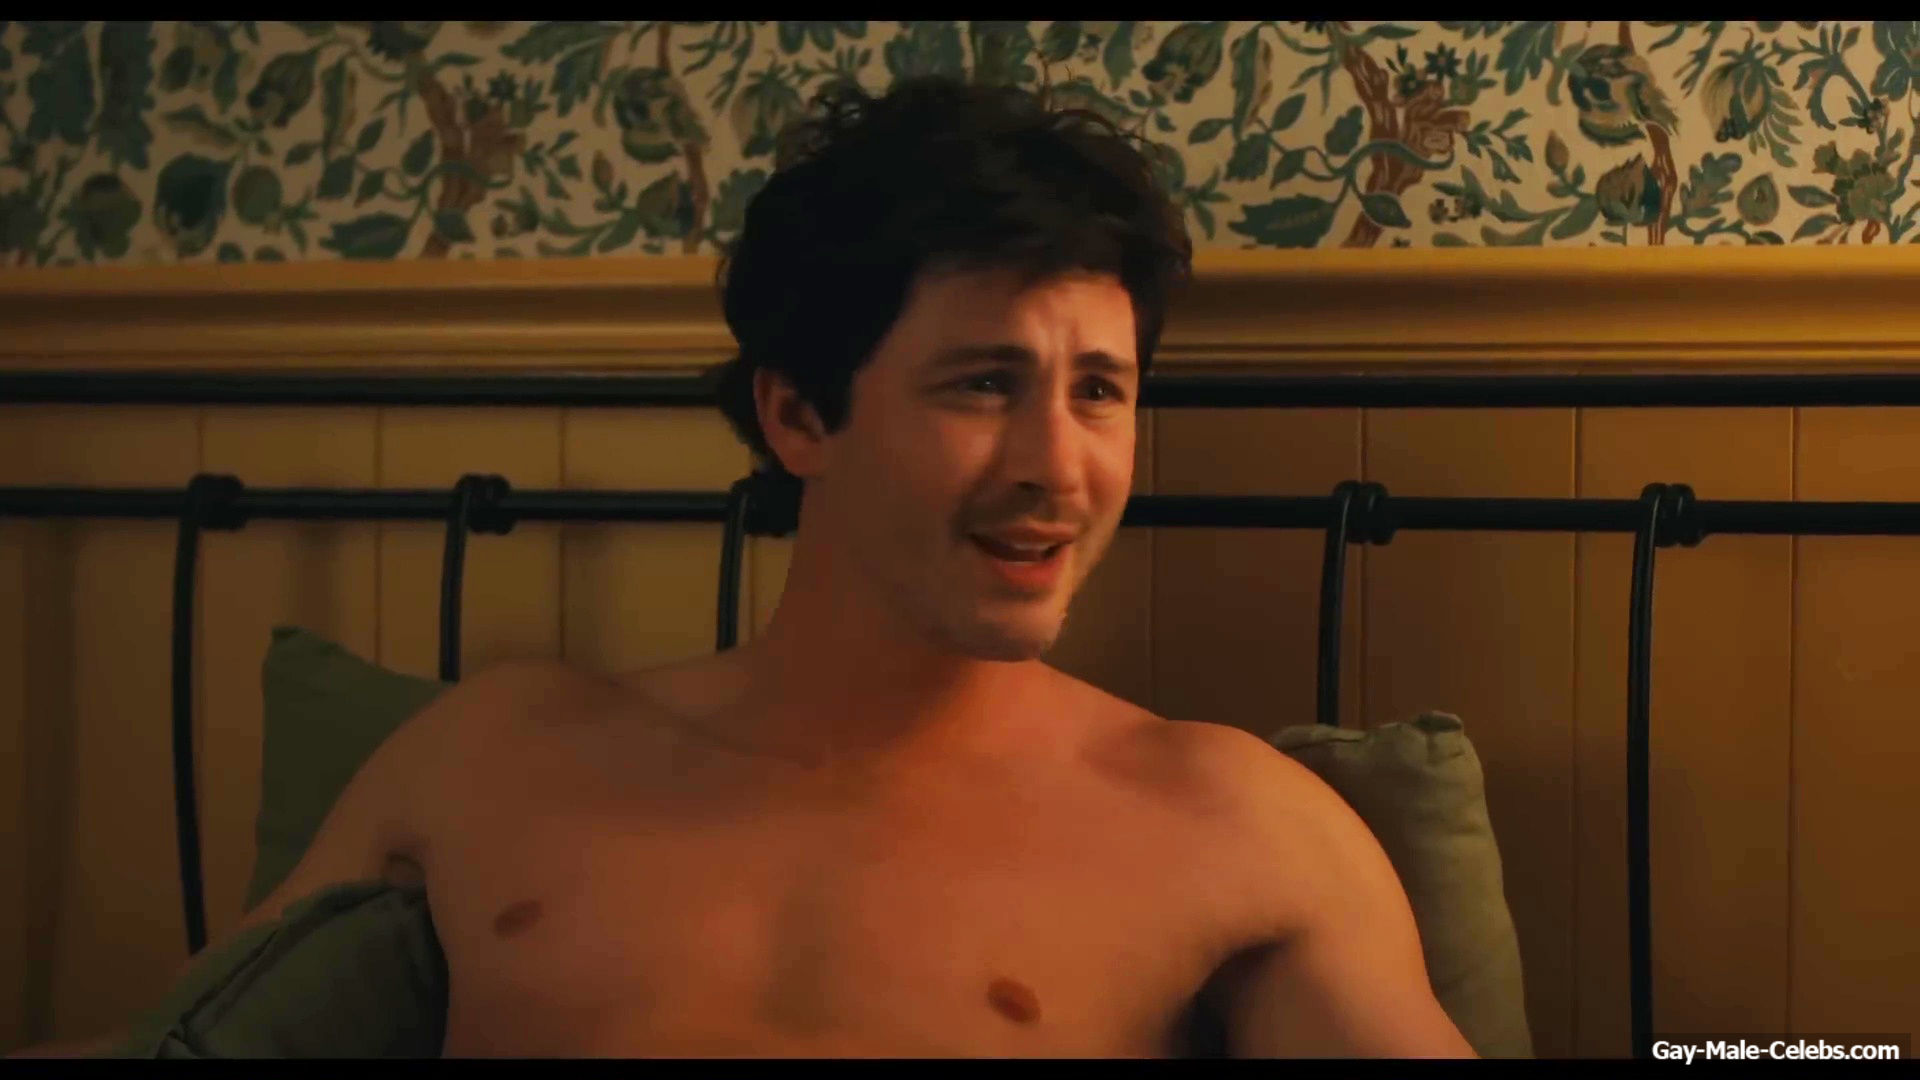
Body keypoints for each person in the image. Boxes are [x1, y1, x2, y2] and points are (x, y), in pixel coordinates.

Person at [31, 73, 1473, 1059]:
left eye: (1100, 391)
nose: (1059, 466)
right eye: (984, 384)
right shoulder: (490, 759)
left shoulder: (1233, 829)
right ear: (799, 416)